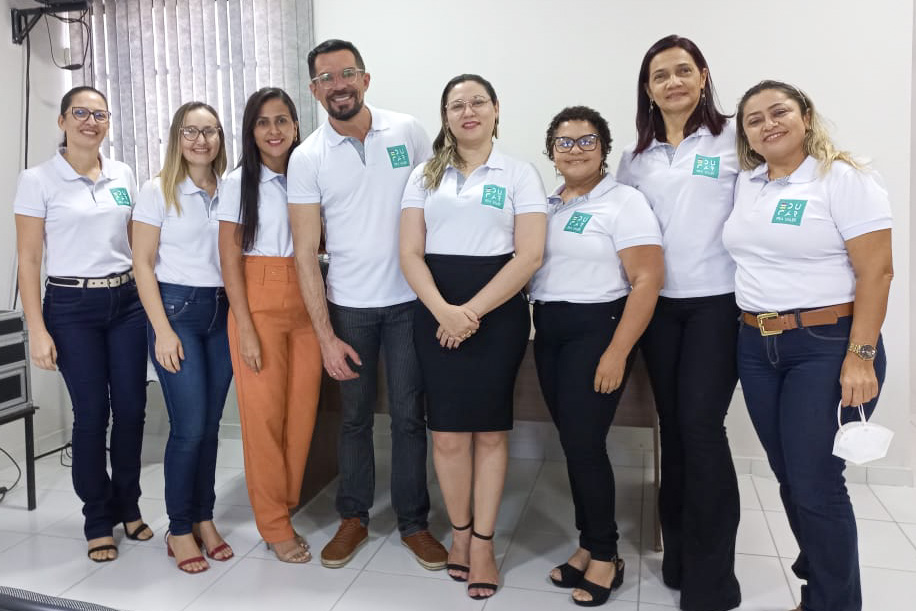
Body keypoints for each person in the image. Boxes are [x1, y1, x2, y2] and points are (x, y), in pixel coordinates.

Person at [724, 80, 892, 611]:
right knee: (789, 477)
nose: (768, 124)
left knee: (816, 483)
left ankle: (833, 603)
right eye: (754, 119)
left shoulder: (842, 178)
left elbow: (877, 273)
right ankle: (819, 585)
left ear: (806, 117)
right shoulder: (747, 183)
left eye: (779, 112)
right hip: (756, 345)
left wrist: (861, 357)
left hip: (826, 344)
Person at [287, 39, 446, 571]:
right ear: (315, 90)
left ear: (365, 78)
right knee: (353, 419)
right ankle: (353, 517)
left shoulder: (407, 131)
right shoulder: (307, 157)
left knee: (408, 417)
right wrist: (326, 337)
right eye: (326, 78)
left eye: (347, 73)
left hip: (409, 303)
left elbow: (436, 209)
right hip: (349, 308)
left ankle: (414, 523)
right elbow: (305, 254)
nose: (339, 85)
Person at [400, 73, 547, 599]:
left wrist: (471, 313)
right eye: (456, 105)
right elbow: (410, 253)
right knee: (446, 433)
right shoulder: (424, 175)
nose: (468, 112)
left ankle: (483, 542)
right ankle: (459, 534)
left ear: (495, 109)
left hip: (498, 314)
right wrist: (444, 311)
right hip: (435, 309)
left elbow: (529, 255)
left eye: (478, 102)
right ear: (445, 116)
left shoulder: (519, 173)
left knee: (489, 432)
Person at [615, 34, 741, 611]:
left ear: (703, 75)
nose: (673, 82)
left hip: (718, 304)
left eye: (683, 71)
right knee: (673, 428)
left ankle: (713, 580)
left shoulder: (734, 138)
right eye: (660, 75)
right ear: (647, 88)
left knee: (702, 429)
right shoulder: (634, 158)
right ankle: (680, 557)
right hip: (657, 308)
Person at [532, 106, 664, 607]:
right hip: (549, 329)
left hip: (598, 329)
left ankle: (606, 555)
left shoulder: (624, 201)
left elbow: (648, 280)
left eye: (587, 140)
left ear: (604, 149)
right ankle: (589, 545)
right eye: (564, 142)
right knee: (574, 443)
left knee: (585, 444)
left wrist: (617, 352)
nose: (575, 150)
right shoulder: (547, 205)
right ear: (551, 152)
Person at [14, 86, 152, 562]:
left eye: (100, 115)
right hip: (71, 306)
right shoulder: (37, 180)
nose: (91, 122)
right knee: (93, 414)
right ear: (62, 121)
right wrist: (37, 329)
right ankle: (97, 517)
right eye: (80, 112)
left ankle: (128, 505)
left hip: (127, 302)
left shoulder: (122, 174)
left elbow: (136, 245)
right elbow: (29, 259)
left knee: (133, 409)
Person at [217, 87, 322, 564]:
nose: (274, 130)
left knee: (301, 416)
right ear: (251, 131)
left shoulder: (309, 175)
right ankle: (274, 524)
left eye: (282, 120)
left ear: (296, 127)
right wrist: (245, 327)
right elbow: (229, 260)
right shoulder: (239, 182)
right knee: (263, 421)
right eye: (263, 122)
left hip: (309, 298)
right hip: (258, 299)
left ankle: (286, 504)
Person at [132, 101, 233, 573]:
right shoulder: (158, 190)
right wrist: (162, 331)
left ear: (220, 138)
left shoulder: (230, 189)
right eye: (190, 131)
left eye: (209, 131)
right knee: (189, 427)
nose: (200, 140)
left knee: (210, 428)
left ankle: (203, 517)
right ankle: (178, 527)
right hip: (178, 312)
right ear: (177, 137)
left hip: (222, 313)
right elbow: (142, 264)